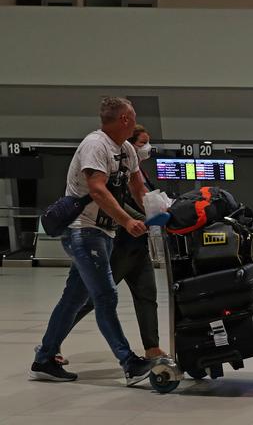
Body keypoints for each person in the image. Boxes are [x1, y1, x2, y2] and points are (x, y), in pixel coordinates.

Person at [29, 97, 152, 386]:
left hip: (103, 234)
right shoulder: (95, 145)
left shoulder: (125, 150)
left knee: (73, 299)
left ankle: (45, 358)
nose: (134, 122)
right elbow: (97, 190)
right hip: (83, 231)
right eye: (132, 117)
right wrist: (127, 221)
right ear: (124, 119)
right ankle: (129, 362)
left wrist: (161, 213)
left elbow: (138, 188)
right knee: (106, 296)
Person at [65, 124, 167, 360]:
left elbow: (144, 197)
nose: (147, 148)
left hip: (138, 247)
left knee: (147, 296)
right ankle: (53, 344)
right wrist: (144, 220)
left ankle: (152, 348)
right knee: (92, 299)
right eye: (142, 143)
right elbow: (119, 204)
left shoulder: (137, 171)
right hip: (119, 246)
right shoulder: (112, 170)